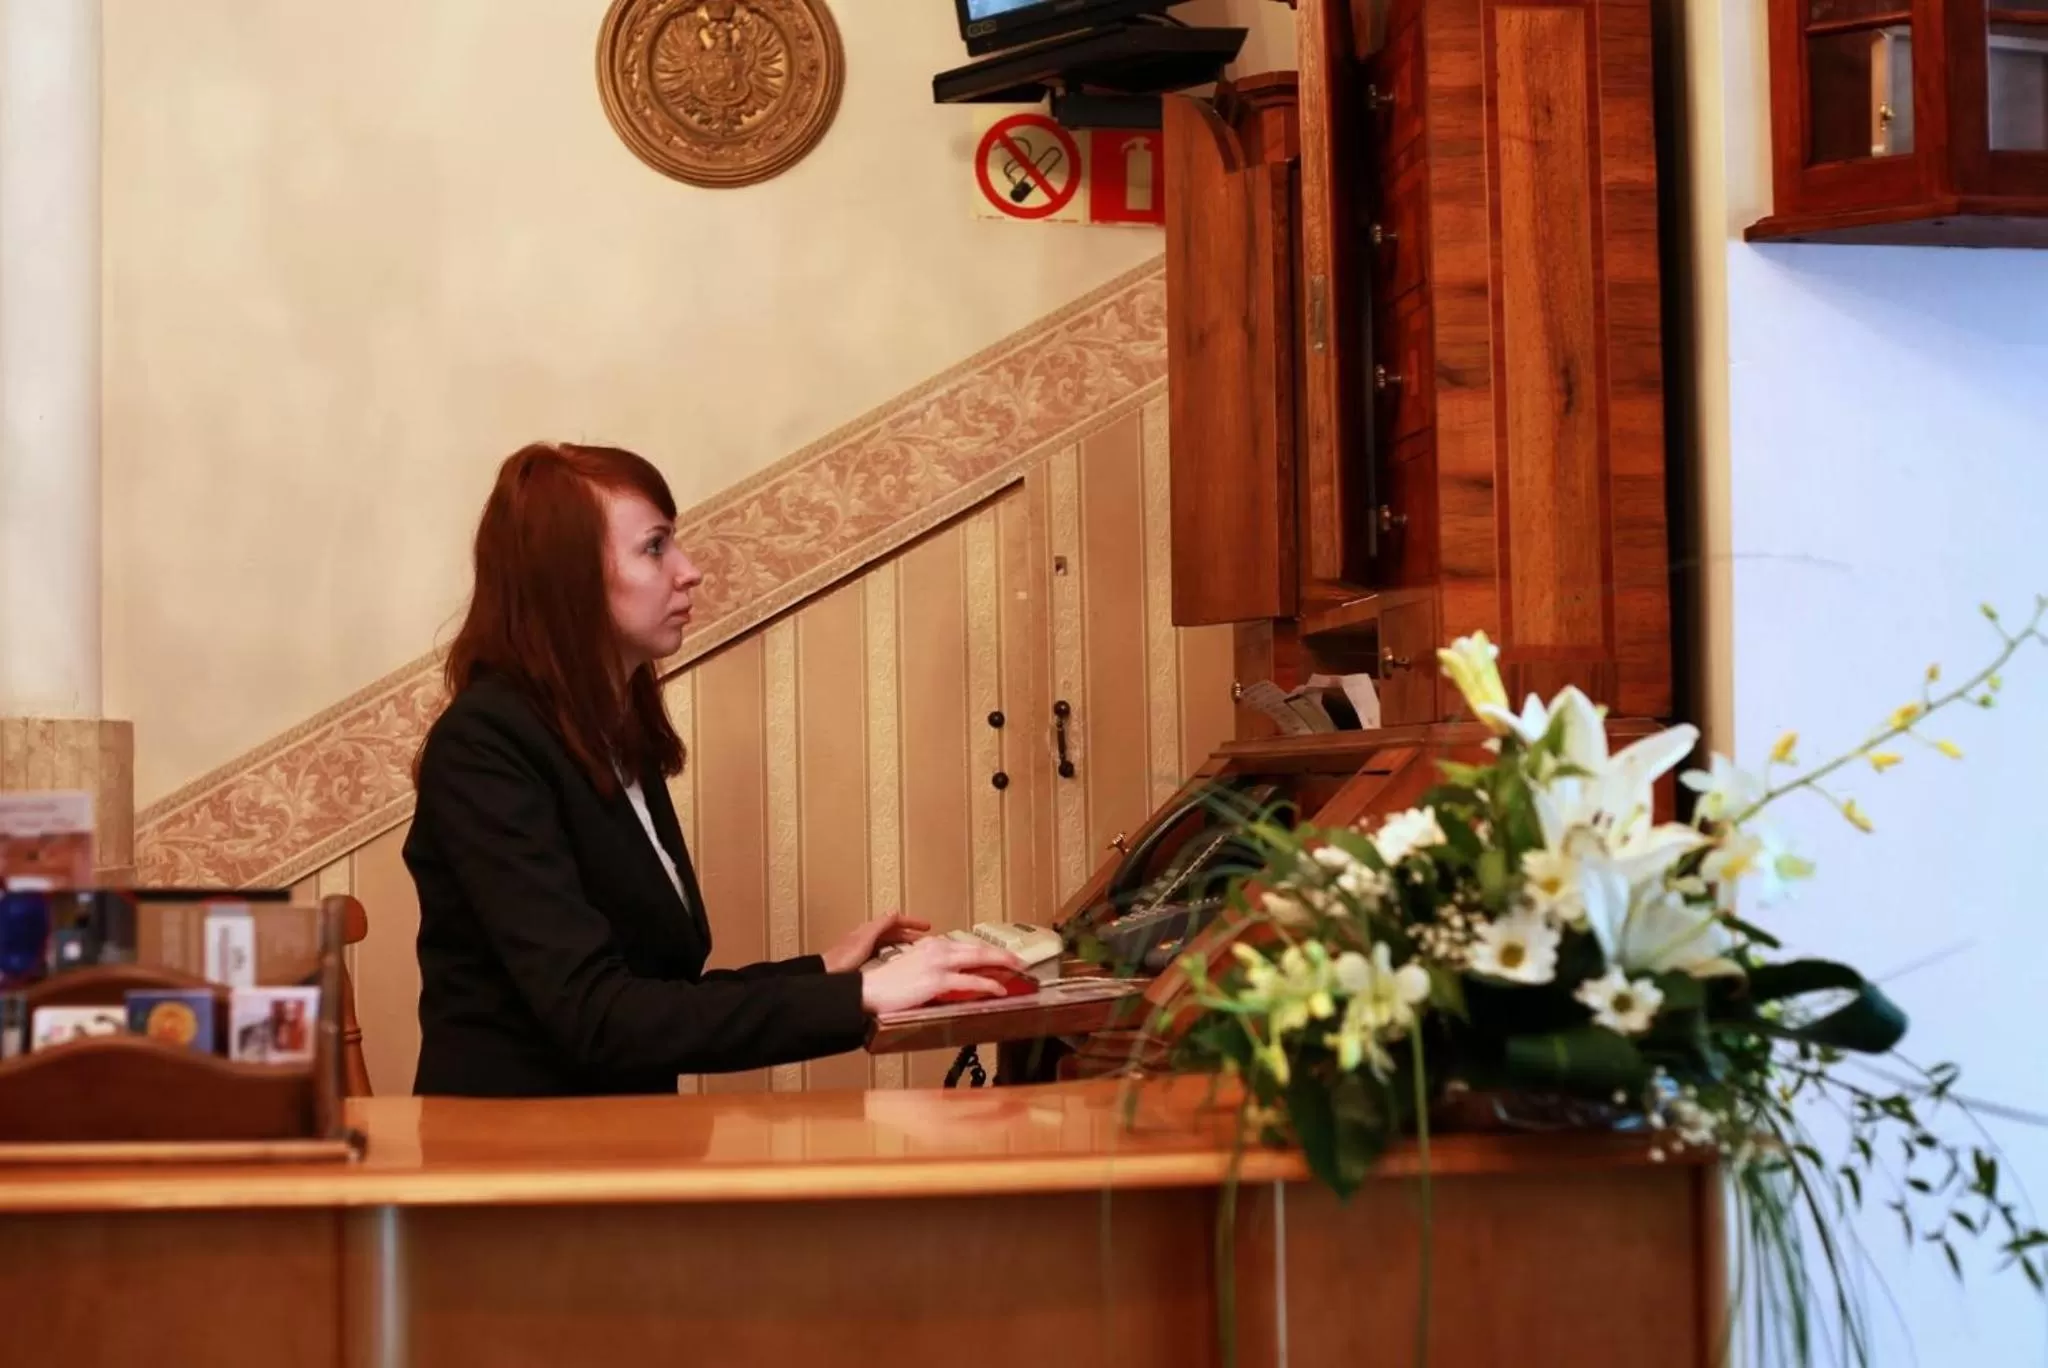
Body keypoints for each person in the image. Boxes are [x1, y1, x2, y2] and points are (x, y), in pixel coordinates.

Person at [405, 442, 1022, 1097]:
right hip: (512, 1162)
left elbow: (654, 993)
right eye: (655, 547)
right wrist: (861, 994)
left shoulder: (614, 737)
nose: (689, 570)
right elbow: (598, 1016)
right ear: (570, 577)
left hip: (612, 1145)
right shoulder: (484, 746)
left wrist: (827, 971)